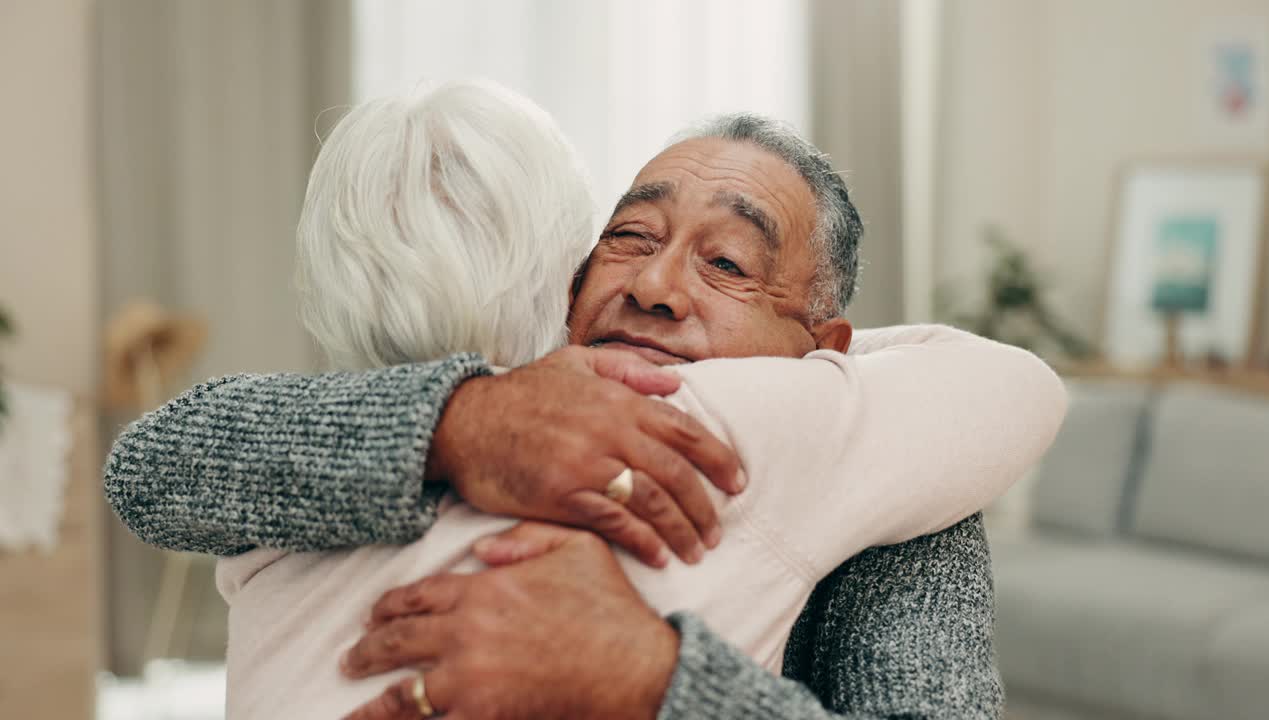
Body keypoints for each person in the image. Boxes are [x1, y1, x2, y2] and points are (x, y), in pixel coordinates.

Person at [106, 93, 1063, 719]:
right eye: (629, 236)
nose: (653, 283)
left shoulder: (897, 494)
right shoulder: (467, 406)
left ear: (828, 355)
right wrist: (462, 423)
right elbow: (152, 467)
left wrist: (650, 675)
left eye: (727, 262)